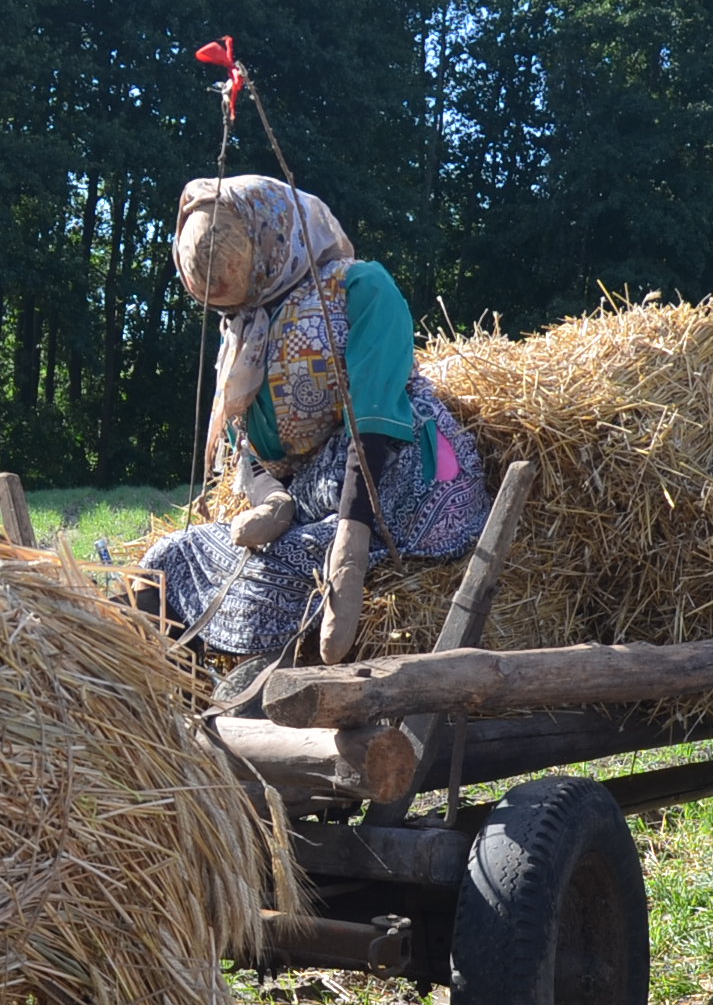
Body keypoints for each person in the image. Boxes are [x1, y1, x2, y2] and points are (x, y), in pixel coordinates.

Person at [142, 176, 490, 660]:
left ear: (270, 236)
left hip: (394, 476)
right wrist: (273, 502)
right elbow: (251, 451)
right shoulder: (245, 337)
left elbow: (373, 421)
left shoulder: (359, 287)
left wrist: (348, 553)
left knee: (285, 565)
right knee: (170, 557)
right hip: (309, 495)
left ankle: (271, 674)